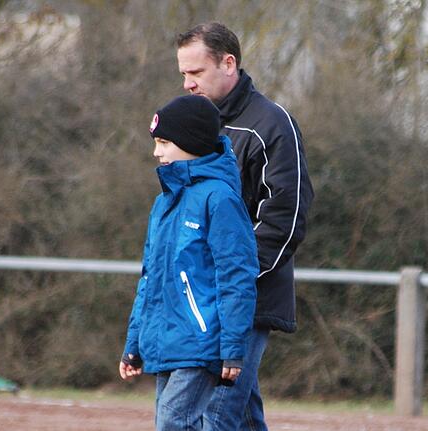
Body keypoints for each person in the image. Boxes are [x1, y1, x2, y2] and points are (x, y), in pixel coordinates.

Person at [176, 22, 314, 431]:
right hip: (203, 297)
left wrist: (233, 278)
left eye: (196, 73)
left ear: (228, 63)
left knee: (213, 417)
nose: (187, 84)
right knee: (240, 417)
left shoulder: (272, 124)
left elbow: (285, 217)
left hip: (246, 299)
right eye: (183, 74)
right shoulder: (193, 125)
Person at [118, 95, 259, 431]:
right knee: (173, 423)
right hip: (168, 342)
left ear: (191, 142)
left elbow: (236, 276)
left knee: (174, 423)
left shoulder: (219, 198)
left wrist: (233, 347)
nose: (157, 152)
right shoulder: (163, 203)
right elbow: (150, 278)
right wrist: (134, 342)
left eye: (164, 142)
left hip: (201, 344)